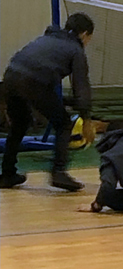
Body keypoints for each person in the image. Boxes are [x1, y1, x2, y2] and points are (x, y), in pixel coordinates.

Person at [0, 13, 96, 191]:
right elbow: (81, 86)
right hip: (35, 83)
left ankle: (7, 174)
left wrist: (69, 101)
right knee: (64, 123)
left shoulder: (47, 38)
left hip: (10, 77)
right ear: (84, 34)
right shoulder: (75, 50)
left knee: (20, 124)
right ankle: (59, 172)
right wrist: (86, 119)